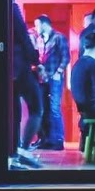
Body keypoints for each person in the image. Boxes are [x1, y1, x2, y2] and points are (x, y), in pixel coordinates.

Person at [9, 0, 44, 167]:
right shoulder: (12, 8)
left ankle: (13, 154)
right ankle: (21, 151)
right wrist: (36, 62)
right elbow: (23, 36)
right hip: (19, 66)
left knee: (13, 111)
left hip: (7, 68)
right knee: (37, 107)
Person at [34, 15, 69, 149]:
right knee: (42, 108)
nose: (36, 28)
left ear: (44, 24)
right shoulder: (39, 39)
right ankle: (45, 139)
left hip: (55, 78)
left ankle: (58, 140)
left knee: (54, 108)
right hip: (42, 78)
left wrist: (58, 73)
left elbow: (66, 57)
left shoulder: (59, 37)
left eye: (37, 25)